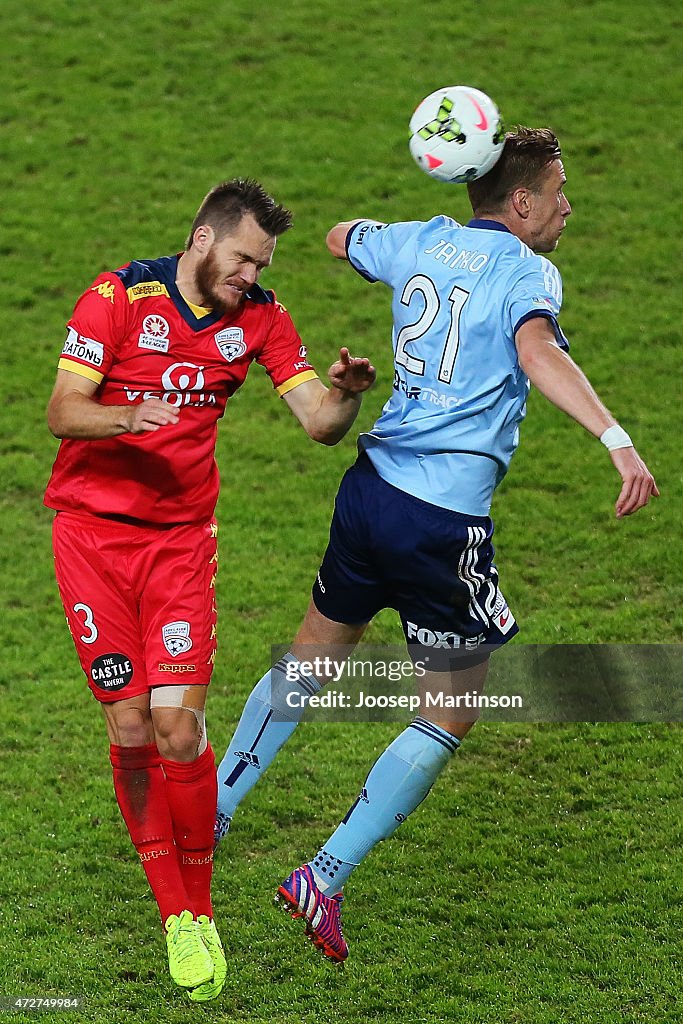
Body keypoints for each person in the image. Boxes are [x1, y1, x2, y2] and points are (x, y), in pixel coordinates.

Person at [214, 129, 659, 963]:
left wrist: (414, 208)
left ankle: (208, 809)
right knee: (451, 707)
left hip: (369, 491)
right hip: (440, 521)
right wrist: (615, 438)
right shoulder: (529, 271)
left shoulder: (415, 239)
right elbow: (534, 350)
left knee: (312, 659)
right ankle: (324, 873)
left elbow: (340, 236)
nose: (567, 205)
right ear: (519, 202)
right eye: (557, 191)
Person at [43, 178, 376, 999]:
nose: (251, 276)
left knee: (178, 732)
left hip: (181, 549)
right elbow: (61, 410)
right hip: (92, 541)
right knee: (128, 729)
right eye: (241, 259)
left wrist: (346, 395)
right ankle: (175, 917)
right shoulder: (118, 298)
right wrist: (129, 416)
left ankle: (197, 910)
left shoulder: (260, 317)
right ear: (202, 239)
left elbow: (317, 425)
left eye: (261, 264)